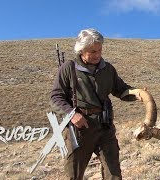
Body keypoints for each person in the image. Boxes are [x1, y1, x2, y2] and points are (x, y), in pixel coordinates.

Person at [50, 28, 140, 179]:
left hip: (105, 127)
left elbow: (121, 90)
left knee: (114, 174)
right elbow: (56, 97)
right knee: (74, 175)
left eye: (99, 50)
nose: (97, 55)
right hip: (80, 129)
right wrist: (72, 115)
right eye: (92, 51)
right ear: (81, 50)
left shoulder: (108, 69)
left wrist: (136, 94)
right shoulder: (68, 68)